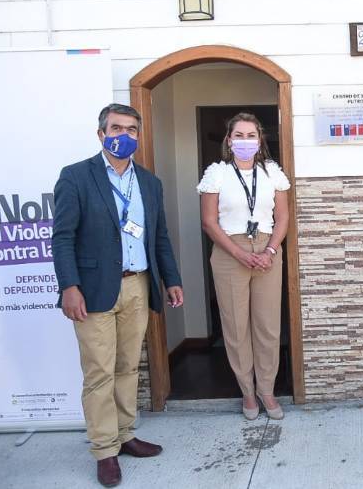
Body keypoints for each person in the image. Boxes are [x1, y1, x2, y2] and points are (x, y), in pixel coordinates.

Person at [52, 103, 184, 487]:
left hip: (138, 285)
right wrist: (68, 286)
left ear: (138, 137)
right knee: (99, 373)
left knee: (128, 367)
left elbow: (159, 236)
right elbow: (61, 238)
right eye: (116, 128)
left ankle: (126, 435)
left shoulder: (149, 182)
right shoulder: (76, 177)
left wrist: (171, 278)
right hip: (92, 291)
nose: (123, 136)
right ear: (100, 134)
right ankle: (104, 450)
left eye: (131, 130)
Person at [198, 112, 290, 421]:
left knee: (267, 326)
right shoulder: (217, 173)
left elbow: (283, 218)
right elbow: (209, 222)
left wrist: (270, 249)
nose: (245, 141)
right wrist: (239, 253)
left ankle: (267, 389)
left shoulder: (272, 172)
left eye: (251, 135)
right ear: (229, 140)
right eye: (239, 135)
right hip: (229, 251)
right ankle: (247, 392)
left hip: (267, 250)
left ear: (260, 140)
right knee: (236, 328)